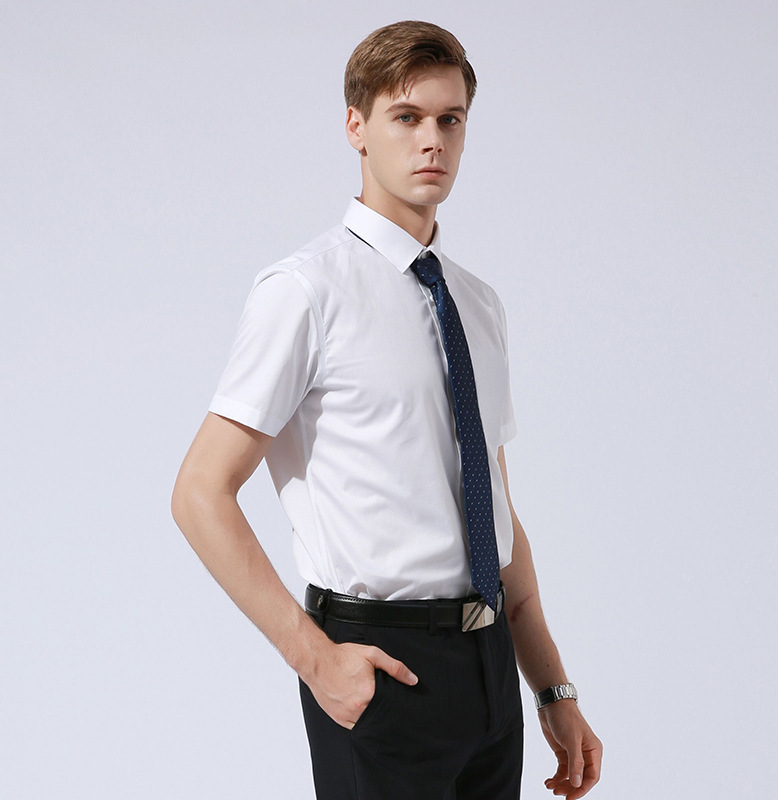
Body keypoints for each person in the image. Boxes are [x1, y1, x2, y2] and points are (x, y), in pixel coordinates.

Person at [172, 19, 602, 800]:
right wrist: (314, 658)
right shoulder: (306, 291)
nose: (432, 140)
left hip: (489, 666)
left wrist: (551, 687)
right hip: (380, 666)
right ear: (357, 128)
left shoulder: (477, 303)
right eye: (407, 117)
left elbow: (496, 512)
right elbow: (200, 492)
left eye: (450, 119)